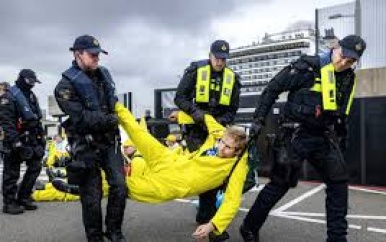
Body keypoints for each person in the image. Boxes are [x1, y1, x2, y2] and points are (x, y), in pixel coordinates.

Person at [239, 35, 367, 242]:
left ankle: (337, 238)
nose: (344, 63)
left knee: (338, 182)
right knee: (280, 184)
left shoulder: (348, 78)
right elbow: (272, 89)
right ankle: (249, 228)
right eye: (343, 56)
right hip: (295, 134)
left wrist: (342, 139)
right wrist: (259, 120)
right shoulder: (306, 67)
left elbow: (343, 114)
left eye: (351, 61)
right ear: (336, 48)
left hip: (323, 137)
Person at [115, 102, 248, 241]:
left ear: (237, 151)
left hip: (174, 184)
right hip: (171, 160)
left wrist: (212, 226)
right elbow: (206, 118)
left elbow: (232, 202)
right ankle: (113, 103)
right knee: (139, 133)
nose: (222, 148)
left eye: (228, 148)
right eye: (222, 142)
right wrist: (181, 115)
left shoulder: (238, 166)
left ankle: (95, 183)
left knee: (126, 187)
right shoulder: (220, 133)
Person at [54, 35, 127, 242]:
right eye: (92, 55)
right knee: (92, 198)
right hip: (85, 146)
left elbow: (113, 102)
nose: (97, 58)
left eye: (98, 54)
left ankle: (114, 232)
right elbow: (82, 118)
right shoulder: (64, 86)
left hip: (110, 142)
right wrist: (110, 120)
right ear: (78, 54)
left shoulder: (104, 74)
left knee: (120, 187)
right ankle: (95, 237)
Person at [174, 39, 241, 240]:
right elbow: (180, 97)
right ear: (210, 55)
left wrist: (219, 123)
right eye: (217, 58)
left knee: (213, 176)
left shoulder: (233, 79)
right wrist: (197, 114)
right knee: (207, 172)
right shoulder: (195, 71)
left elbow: (232, 110)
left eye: (224, 59)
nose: (220, 62)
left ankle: (205, 215)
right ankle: (209, 222)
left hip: (219, 133)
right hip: (196, 130)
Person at [0, 70, 45, 214]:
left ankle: (24, 197)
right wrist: (16, 143)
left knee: (36, 166)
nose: (32, 85)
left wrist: (41, 139)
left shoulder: (31, 96)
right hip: (15, 140)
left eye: (34, 82)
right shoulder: (9, 97)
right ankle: (9, 202)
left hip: (31, 138)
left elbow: (36, 119)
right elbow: (7, 123)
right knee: (11, 173)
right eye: (30, 81)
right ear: (22, 79)